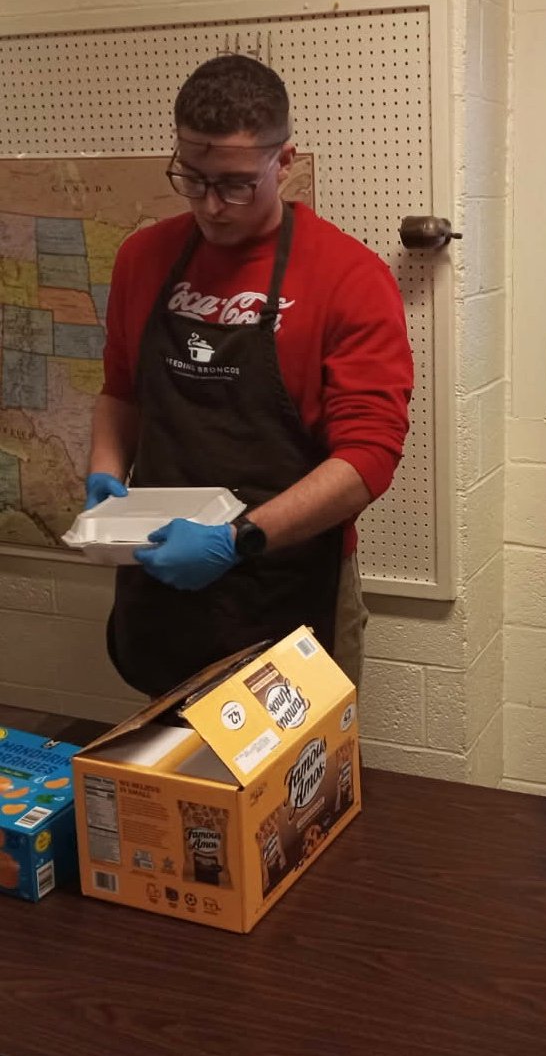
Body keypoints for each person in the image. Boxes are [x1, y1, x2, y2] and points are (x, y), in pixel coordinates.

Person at [86, 54, 413, 697]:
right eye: (194, 178)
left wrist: (237, 539)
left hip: (288, 582)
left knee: (297, 787)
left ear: (283, 161)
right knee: (173, 781)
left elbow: (368, 458)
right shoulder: (142, 257)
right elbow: (121, 391)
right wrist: (104, 469)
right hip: (164, 580)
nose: (213, 204)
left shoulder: (349, 277)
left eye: (236, 183)